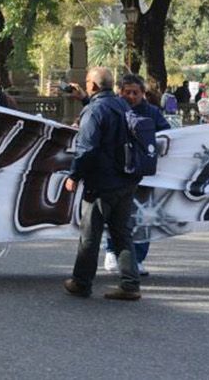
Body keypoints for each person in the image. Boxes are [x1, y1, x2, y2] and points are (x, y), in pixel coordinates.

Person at [63, 67, 142, 301]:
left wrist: (74, 176)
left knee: (90, 235)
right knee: (121, 234)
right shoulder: (122, 105)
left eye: (87, 81)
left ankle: (81, 282)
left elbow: (87, 148)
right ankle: (130, 284)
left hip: (101, 183)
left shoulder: (95, 110)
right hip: (125, 180)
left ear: (94, 86)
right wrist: (85, 101)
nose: (85, 84)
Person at [101, 74, 169, 277]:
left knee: (142, 217)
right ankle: (112, 251)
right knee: (115, 217)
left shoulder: (153, 113)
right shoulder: (110, 109)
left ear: (143, 94)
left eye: (135, 93)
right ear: (119, 92)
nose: (131, 96)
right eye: (127, 92)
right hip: (117, 173)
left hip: (144, 175)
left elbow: (168, 134)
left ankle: (137, 259)